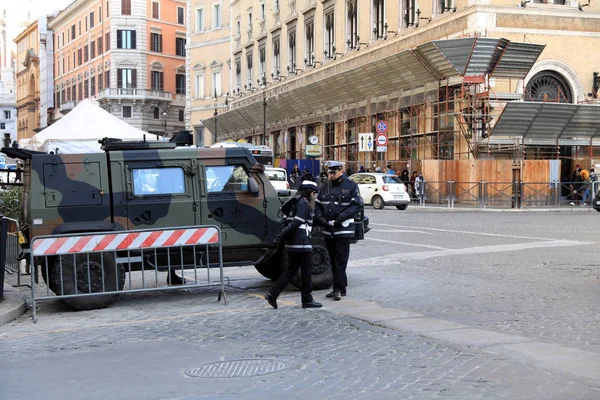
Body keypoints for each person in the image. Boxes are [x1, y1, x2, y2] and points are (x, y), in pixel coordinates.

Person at [264, 180, 322, 309]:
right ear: (309, 192)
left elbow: (285, 222)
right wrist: (282, 236)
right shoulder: (303, 204)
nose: (314, 195)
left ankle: (272, 295)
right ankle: (307, 299)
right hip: (302, 244)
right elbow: (296, 223)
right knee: (306, 272)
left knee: (290, 271)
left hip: (292, 244)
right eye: (313, 193)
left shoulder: (293, 203)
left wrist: (284, 237)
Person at [315, 161, 362, 301]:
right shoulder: (325, 187)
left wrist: (340, 218)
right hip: (328, 230)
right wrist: (320, 219)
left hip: (343, 229)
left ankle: (337, 289)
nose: (331, 175)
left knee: (340, 261)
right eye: (329, 173)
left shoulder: (351, 186)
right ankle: (341, 286)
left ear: (341, 171)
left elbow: (356, 206)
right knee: (333, 260)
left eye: (333, 173)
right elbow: (317, 205)